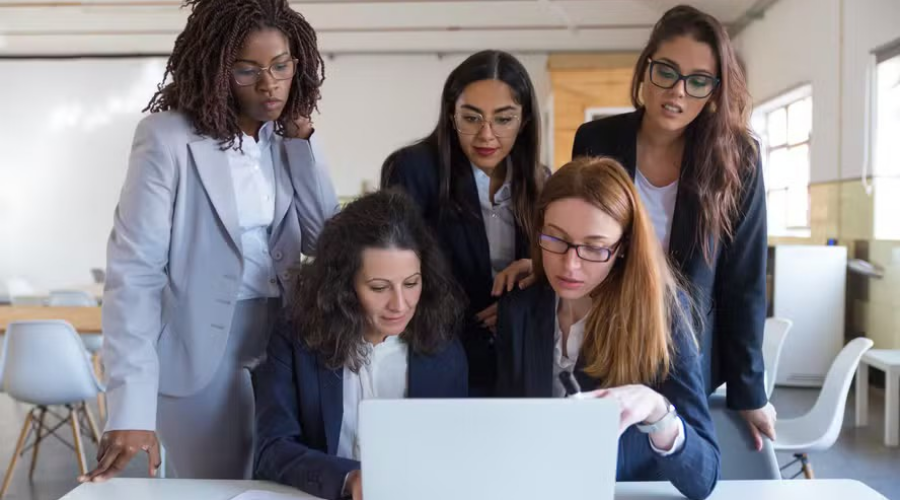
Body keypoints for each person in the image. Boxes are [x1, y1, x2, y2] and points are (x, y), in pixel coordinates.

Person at [81, 0, 338, 482]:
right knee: (216, 486)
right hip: (198, 352)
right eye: (247, 70)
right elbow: (135, 274)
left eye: (281, 66)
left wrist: (304, 142)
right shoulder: (167, 139)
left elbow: (327, 240)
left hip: (285, 341)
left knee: (285, 485)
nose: (269, 83)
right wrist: (130, 406)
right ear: (217, 70)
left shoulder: (284, 139)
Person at [571, 4, 775, 449]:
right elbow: (578, 235)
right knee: (605, 459)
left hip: (687, 347)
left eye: (698, 80)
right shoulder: (597, 140)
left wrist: (750, 392)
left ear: (715, 90)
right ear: (646, 69)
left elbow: (744, 282)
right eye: (666, 72)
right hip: (607, 333)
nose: (677, 92)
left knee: (677, 458)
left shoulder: (737, 158)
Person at [496, 157, 720, 500]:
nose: (570, 265)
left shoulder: (662, 314)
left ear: (623, 248)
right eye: (556, 239)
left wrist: (657, 411)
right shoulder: (519, 310)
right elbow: (507, 431)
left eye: (594, 247)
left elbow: (704, 477)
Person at [253, 190, 468, 500]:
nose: (400, 304)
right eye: (379, 288)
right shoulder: (296, 338)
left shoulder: (442, 348)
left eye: (411, 283)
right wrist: (346, 478)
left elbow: (453, 454)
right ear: (344, 285)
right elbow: (271, 449)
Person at [381, 50, 545, 396]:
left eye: (504, 119)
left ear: (525, 121)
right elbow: (397, 266)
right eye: (471, 118)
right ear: (451, 115)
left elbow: (555, 272)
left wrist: (521, 300)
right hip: (439, 347)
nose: (486, 135)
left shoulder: (541, 181)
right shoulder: (413, 169)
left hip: (518, 353)